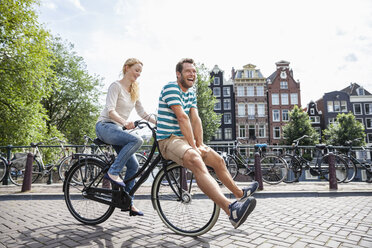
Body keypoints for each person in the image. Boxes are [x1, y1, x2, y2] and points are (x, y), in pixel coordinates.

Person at [157, 58, 258, 229]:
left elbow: (195, 119)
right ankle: (231, 210)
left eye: (194, 71)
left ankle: (239, 193)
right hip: (169, 140)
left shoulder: (191, 93)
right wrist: (194, 147)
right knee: (196, 159)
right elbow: (182, 118)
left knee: (218, 160)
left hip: (184, 140)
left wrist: (200, 143)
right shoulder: (171, 88)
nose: (192, 74)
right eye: (188, 71)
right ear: (178, 74)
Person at [96, 58, 156, 217]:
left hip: (117, 130)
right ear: (126, 68)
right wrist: (125, 122)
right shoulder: (115, 86)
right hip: (105, 126)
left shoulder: (134, 89)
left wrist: (159, 123)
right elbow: (110, 111)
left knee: (134, 166)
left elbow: (142, 113)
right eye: (136, 70)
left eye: (140, 72)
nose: (138, 74)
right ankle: (113, 172)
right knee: (137, 140)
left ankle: (128, 202)